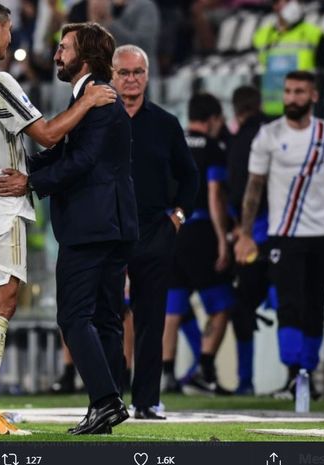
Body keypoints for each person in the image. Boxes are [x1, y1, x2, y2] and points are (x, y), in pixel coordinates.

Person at [0, 1, 117, 436]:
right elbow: (49, 134)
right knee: (3, 303)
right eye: (9, 30)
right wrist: (88, 101)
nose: (12, 39)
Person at [0, 21, 137, 435]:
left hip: (92, 227)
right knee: (106, 318)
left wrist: (29, 182)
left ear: (84, 57)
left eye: (64, 48)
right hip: (113, 225)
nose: (56, 54)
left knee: (74, 317)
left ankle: (106, 401)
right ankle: (107, 405)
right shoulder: (90, 98)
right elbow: (70, 154)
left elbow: (82, 161)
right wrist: (27, 167)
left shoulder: (98, 100)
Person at [234, 71, 324, 400]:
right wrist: (246, 235)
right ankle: (292, 372)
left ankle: (307, 375)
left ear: (313, 96)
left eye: (299, 92)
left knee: (316, 305)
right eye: (288, 91)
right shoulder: (268, 135)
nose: (292, 98)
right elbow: (253, 188)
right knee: (289, 303)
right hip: (284, 234)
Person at [112, 44, 198, 418]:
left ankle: (146, 401)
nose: (131, 80)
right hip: (107, 231)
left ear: (147, 76)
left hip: (153, 230)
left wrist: (176, 217)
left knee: (151, 319)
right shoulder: (97, 119)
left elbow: (190, 177)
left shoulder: (165, 124)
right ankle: (108, 399)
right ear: (111, 76)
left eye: (138, 72)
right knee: (106, 319)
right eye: (124, 72)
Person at [164, 93, 234, 396]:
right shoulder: (215, 148)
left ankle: (165, 373)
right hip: (202, 230)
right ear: (214, 119)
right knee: (222, 304)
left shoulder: (172, 142)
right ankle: (205, 368)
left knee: (173, 307)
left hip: (170, 229)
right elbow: (215, 194)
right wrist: (222, 240)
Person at [226, 85, 271, 395]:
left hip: (251, 232)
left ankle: (246, 380)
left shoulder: (238, 141)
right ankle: (298, 376)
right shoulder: (276, 131)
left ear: (237, 111)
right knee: (293, 306)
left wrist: (241, 231)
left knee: (243, 307)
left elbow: (235, 191)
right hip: (284, 230)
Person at [253, 0, 324, 117]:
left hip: (304, 110)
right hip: (272, 111)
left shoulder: (313, 33)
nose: (293, 4)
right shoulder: (262, 36)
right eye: (286, 1)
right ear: (275, 6)